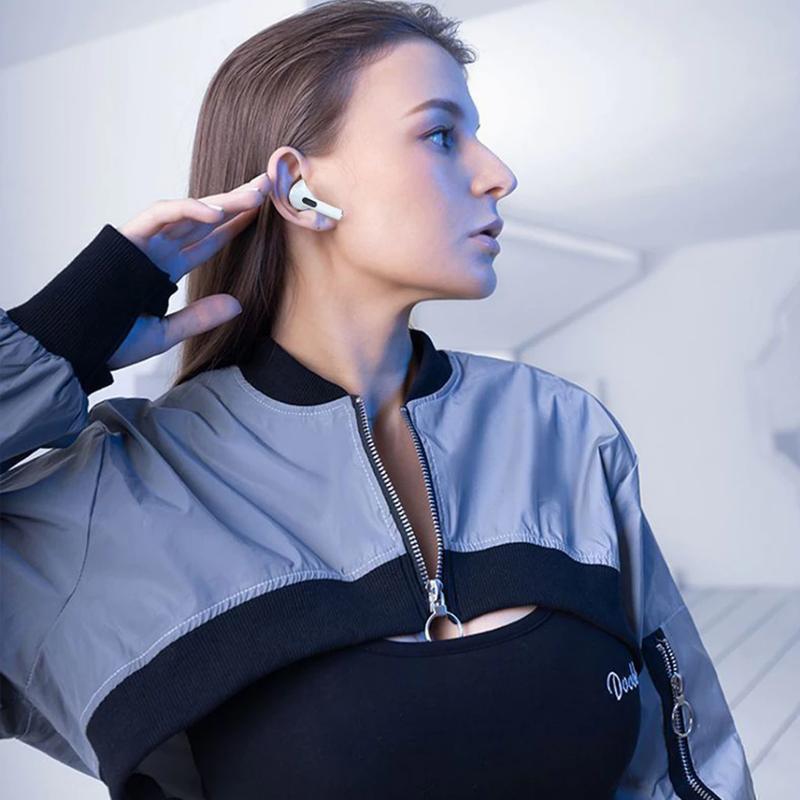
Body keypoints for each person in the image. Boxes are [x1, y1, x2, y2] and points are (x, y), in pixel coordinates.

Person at [0, 2, 755, 798]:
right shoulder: (124, 492)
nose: (499, 173)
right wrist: (59, 335)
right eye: (441, 134)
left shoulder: (561, 429)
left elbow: (687, 757)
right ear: (299, 188)